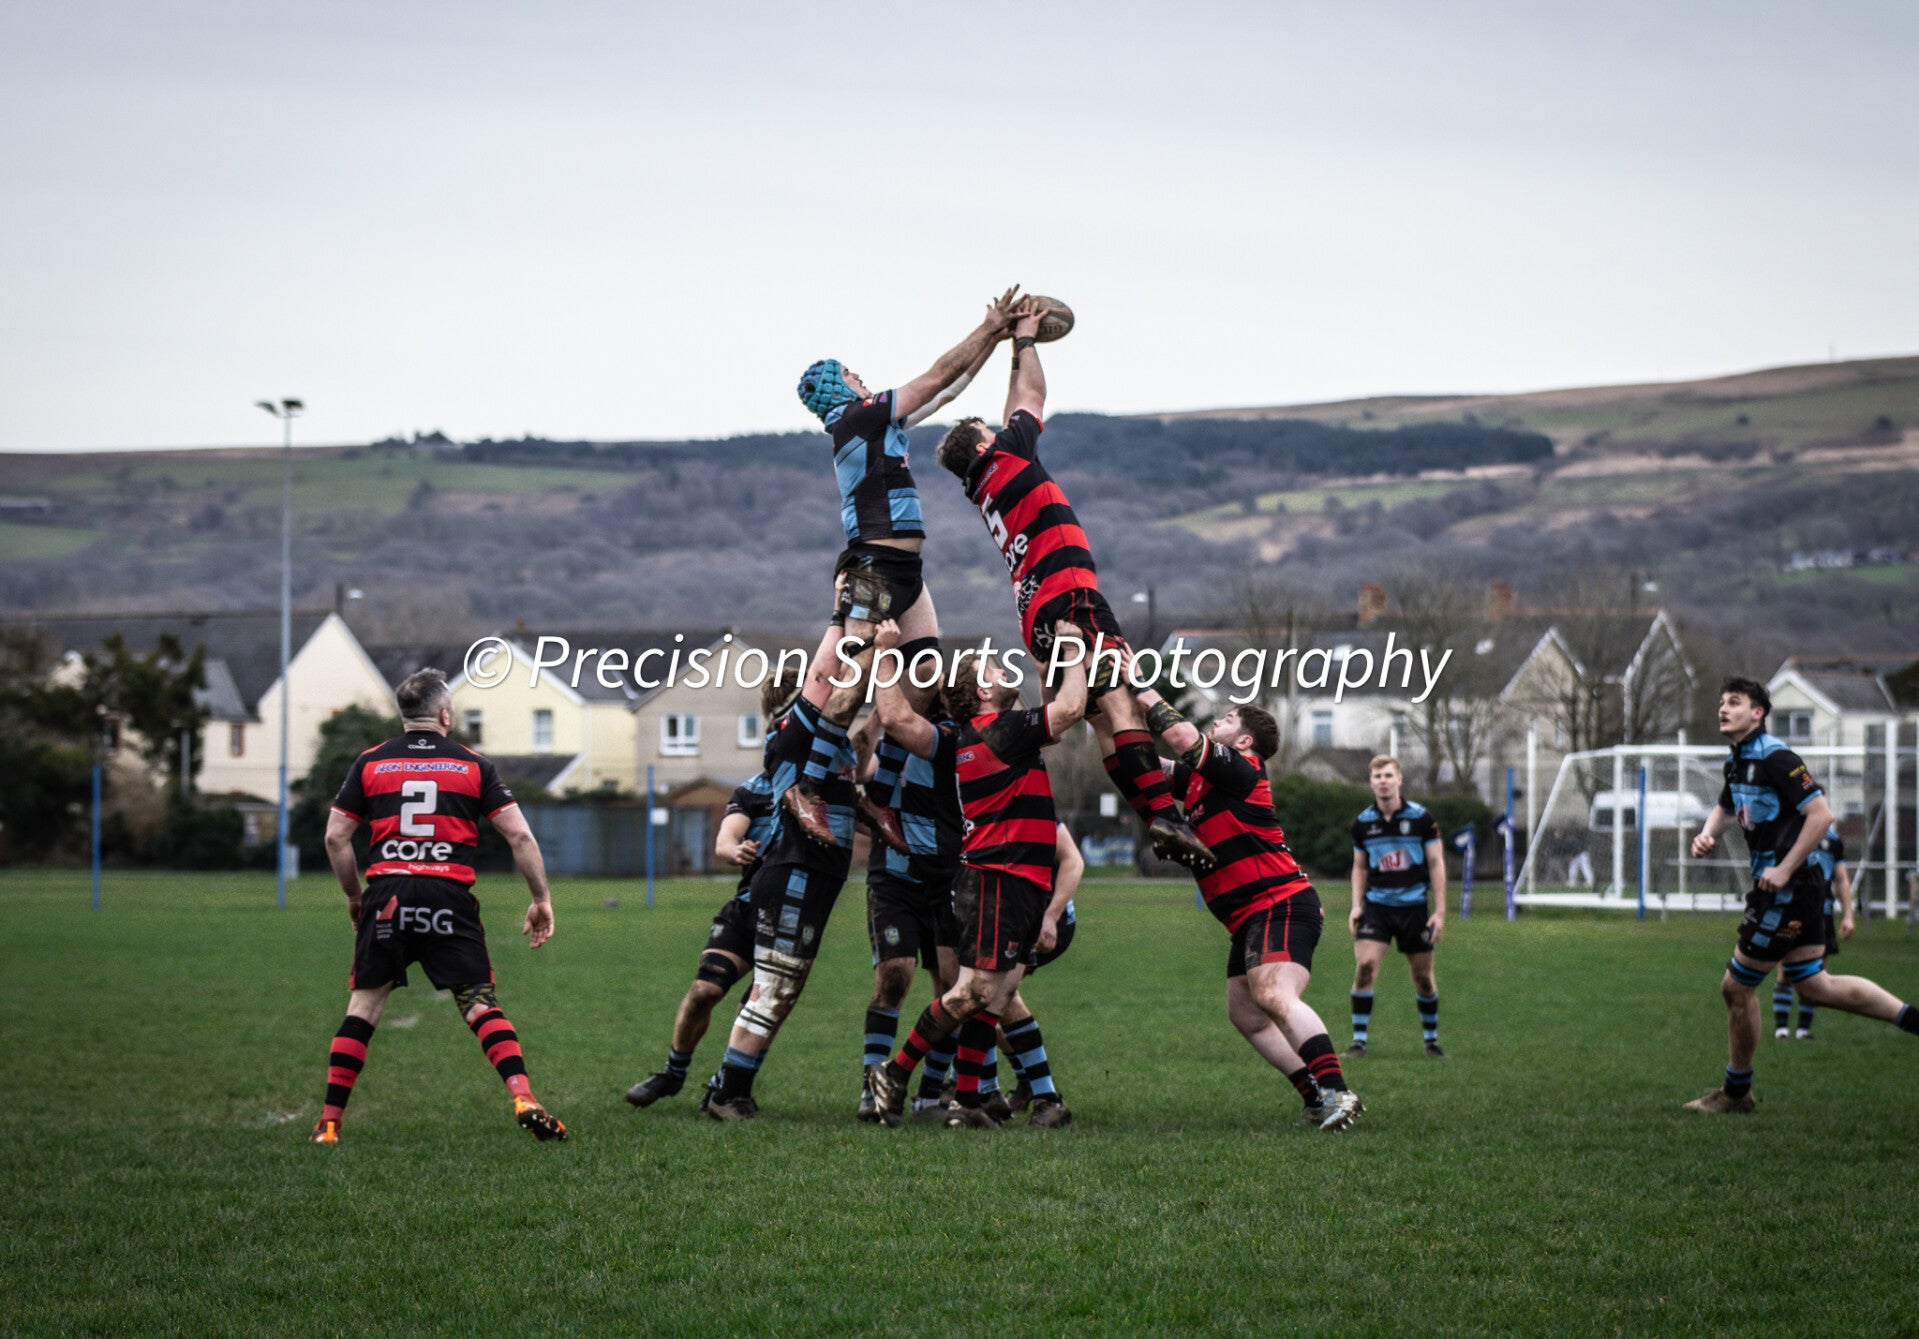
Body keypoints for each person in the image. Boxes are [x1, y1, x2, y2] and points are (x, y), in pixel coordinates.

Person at [934, 300, 1212, 872]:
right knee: (1120, 701)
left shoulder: (981, 483)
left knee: (1104, 721)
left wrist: (1013, 344)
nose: (998, 426)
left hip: (1038, 615)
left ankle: (1160, 817)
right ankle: (1164, 812)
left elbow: (1013, 409)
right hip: (1071, 599)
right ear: (985, 443)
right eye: (989, 428)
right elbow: (1031, 400)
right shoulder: (1007, 454)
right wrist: (1028, 341)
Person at [784, 289, 1022, 849]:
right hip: (873, 565)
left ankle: (878, 794)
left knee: (923, 677)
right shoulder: (861, 417)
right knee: (857, 675)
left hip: (905, 572)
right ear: (838, 388)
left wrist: (996, 339)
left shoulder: (876, 424)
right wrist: (990, 324)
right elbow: (938, 373)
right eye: (851, 373)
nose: (863, 377)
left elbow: (952, 387)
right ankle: (809, 789)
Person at [310, 668, 565, 1144]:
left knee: (364, 1006)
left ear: (404, 716)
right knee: (478, 1003)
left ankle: (328, 1123)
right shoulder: (473, 765)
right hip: (448, 896)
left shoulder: (370, 762)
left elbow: (335, 837)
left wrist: (353, 897)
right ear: (445, 714)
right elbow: (519, 835)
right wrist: (540, 898)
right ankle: (523, 1096)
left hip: (387, 895)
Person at [867, 624, 1090, 1129]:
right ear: (985, 692)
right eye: (992, 667)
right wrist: (1075, 647)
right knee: (972, 993)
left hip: (1019, 882)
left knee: (996, 994)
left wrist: (884, 656)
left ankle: (968, 1103)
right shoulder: (1003, 731)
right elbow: (1073, 708)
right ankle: (896, 1073)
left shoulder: (961, 738)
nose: (999, 667)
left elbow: (896, 716)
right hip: (997, 880)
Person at [1126, 672, 1363, 1131]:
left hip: (1280, 903)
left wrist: (1136, 682)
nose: (1218, 721)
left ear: (1246, 739)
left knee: (1274, 994)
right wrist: (1106, 718)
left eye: (1228, 718)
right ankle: (1315, 1095)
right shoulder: (1201, 781)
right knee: (1247, 1015)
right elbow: (1142, 769)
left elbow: (1179, 737)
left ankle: (1338, 1092)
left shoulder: (1239, 768)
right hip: (1248, 916)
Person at [1684, 677, 1919, 1113]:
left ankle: (1736, 1094)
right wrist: (1706, 834)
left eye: (1734, 703)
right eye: (1721, 702)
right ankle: (1912, 1018)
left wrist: (1783, 867)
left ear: (1758, 713)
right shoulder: (1737, 762)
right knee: (1812, 985)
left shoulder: (1777, 757)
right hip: (1801, 889)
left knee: (1737, 988)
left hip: (1787, 891)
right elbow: (1725, 803)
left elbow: (1822, 814)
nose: (1723, 708)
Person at [625, 676, 796, 1109]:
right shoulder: (754, 792)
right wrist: (734, 849)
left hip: (791, 917)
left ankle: (728, 1081)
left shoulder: (821, 791)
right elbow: (724, 838)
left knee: (763, 1004)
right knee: (705, 991)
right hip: (745, 909)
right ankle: (673, 1073)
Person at [848, 635, 966, 1123]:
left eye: (927, 674)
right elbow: (860, 768)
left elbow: (900, 716)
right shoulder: (889, 736)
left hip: (947, 880)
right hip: (895, 877)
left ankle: (930, 1092)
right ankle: (873, 1085)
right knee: (895, 975)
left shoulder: (948, 737)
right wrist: (872, 722)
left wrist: (884, 661)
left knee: (953, 987)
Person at [1346, 756, 1448, 1059]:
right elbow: (1359, 868)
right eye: (1377, 776)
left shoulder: (1421, 819)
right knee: (1365, 966)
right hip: (1377, 906)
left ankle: (1431, 1040)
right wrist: (1355, 906)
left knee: (1423, 978)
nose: (1383, 781)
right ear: (1371, 782)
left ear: (1399, 779)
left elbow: (1435, 863)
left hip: (1414, 907)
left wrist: (1439, 912)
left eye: (1388, 775)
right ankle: (1358, 1041)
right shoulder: (1362, 823)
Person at [1772, 822, 1855, 1041]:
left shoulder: (1833, 840)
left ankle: (1803, 1030)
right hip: (1792, 908)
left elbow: (1841, 878)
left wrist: (1848, 915)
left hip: (1823, 912)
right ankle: (1781, 1029)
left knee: (1816, 974)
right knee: (1786, 970)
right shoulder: (1788, 831)